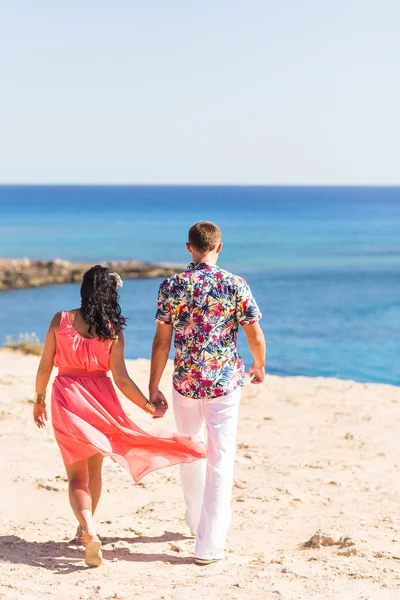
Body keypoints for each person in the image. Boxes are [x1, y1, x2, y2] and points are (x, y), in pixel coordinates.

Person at [33, 265, 206, 568]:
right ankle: (85, 530)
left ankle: (87, 529)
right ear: (111, 293)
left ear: (84, 290)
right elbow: (122, 380)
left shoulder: (61, 320)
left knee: (76, 477)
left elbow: (45, 366)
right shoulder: (112, 330)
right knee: (94, 472)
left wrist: (39, 400)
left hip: (66, 402)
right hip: (100, 405)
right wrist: (149, 408)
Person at [149, 221, 266, 565]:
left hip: (185, 381)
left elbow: (161, 341)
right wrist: (259, 365)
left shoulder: (171, 285)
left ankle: (194, 519)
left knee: (190, 449)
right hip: (224, 382)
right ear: (220, 247)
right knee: (220, 458)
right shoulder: (235, 284)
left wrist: (153, 384)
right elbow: (254, 334)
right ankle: (209, 545)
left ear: (189, 247)